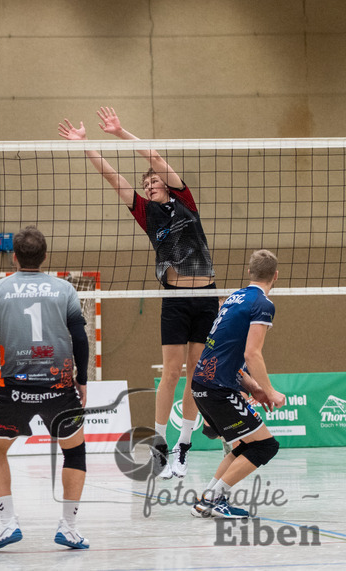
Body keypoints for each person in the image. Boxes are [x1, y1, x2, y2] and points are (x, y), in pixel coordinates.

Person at [58, 107, 218, 479]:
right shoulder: (147, 215)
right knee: (172, 374)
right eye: (145, 185)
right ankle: (161, 449)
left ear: (165, 183)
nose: (149, 187)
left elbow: (155, 157)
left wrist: (119, 132)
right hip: (175, 300)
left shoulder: (185, 201)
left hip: (207, 295)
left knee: (197, 376)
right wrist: (87, 147)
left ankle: (183, 449)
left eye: (153, 183)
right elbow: (113, 178)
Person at [0, 226, 91, 551]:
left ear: (15, 257)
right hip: (59, 387)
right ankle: (69, 528)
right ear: (45, 256)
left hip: (13, 389)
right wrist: (83, 379)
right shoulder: (65, 290)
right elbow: (80, 339)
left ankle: (8, 524)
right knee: (74, 451)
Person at [190, 250, 283, 519]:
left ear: (249, 272)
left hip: (203, 382)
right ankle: (216, 500)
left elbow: (226, 352)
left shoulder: (234, 298)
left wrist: (253, 388)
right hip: (218, 388)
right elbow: (251, 354)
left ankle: (206, 499)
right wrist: (269, 391)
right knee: (266, 446)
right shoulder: (262, 304)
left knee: (245, 445)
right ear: (275, 276)